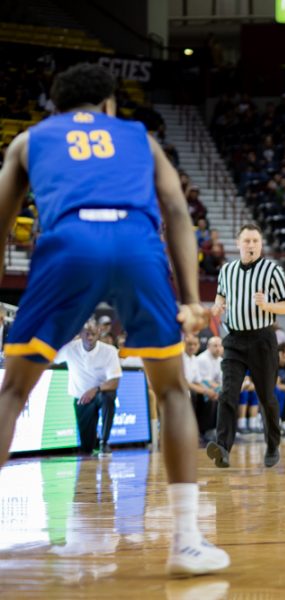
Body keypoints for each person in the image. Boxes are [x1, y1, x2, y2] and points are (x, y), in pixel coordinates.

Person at [0, 63, 228, 574]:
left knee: (12, 393)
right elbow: (175, 210)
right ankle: (187, 542)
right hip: (135, 244)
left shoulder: (29, 141)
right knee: (170, 391)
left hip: (68, 244)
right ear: (108, 104)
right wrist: (191, 297)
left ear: (55, 109)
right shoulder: (138, 137)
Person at [207, 223, 285, 469]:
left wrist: (267, 305)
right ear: (238, 244)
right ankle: (222, 448)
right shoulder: (227, 270)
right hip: (234, 339)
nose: (251, 245)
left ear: (261, 244)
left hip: (262, 339)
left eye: (255, 241)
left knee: (266, 396)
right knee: (227, 393)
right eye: (247, 241)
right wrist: (217, 306)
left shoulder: (272, 271)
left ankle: (273, 445)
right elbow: (221, 295)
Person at [55, 321, 121, 456]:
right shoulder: (69, 348)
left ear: (99, 333)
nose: (90, 337)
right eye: (86, 334)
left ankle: (104, 441)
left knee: (109, 396)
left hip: (99, 394)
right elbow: (50, 358)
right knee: (86, 448)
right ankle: (93, 442)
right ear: (80, 333)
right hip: (81, 398)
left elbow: (114, 382)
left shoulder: (109, 351)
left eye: (93, 334)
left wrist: (95, 390)